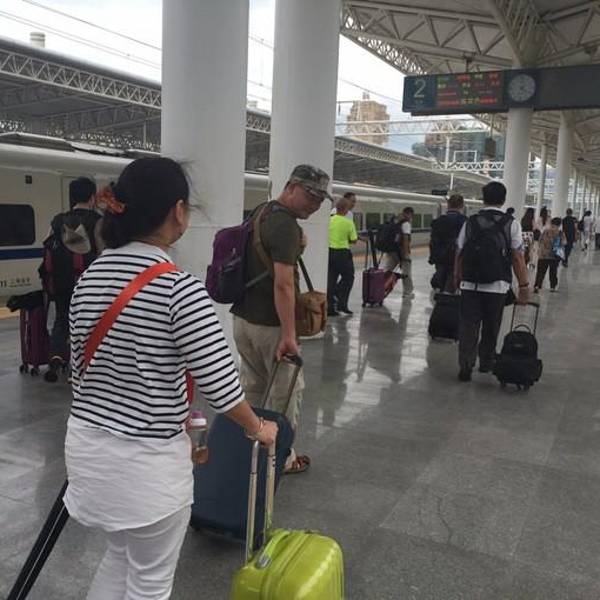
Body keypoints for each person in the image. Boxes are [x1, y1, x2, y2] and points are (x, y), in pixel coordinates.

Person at [65, 157, 277, 600]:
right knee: (150, 580)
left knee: (119, 556)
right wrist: (259, 427)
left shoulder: (89, 278)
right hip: (145, 466)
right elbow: (221, 388)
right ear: (177, 211)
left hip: (87, 450)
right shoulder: (179, 288)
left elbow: (81, 371)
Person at [231, 164, 332, 475]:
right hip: (271, 326)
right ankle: (282, 458)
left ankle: (248, 448)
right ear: (290, 187)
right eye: (310, 195)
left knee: (253, 386)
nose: (315, 204)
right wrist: (289, 335)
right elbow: (284, 285)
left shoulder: (261, 212)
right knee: (286, 391)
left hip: (243, 320)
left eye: (320, 199)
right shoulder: (286, 224)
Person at [454, 181, 530, 382]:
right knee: (491, 326)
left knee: (468, 326)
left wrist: (457, 276)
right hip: (497, 286)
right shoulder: (512, 224)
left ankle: (465, 365)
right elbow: (517, 257)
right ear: (503, 199)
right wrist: (523, 286)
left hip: (470, 284)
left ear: (483, 198)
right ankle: (486, 362)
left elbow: (459, 252)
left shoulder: (470, 222)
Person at [42, 177, 103, 382]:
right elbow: (104, 253)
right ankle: (76, 370)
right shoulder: (98, 221)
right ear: (92, 197)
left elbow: (47, 245)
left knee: (62, 319)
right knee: (89, 325)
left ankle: (56, 357)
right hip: (90, 284)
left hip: (61, 282)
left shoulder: (58, 221)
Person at [429, 193, 466, 293]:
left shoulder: (437, 221)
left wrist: (433, 257)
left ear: (448, 205)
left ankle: (441, 293)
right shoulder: (465, 222)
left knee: (441, 281)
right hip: (457, 260)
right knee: (451, 286)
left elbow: (433, 242)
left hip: (440, 259)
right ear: (462, 206)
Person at [328, 195, 358, 316]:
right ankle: (340, 300)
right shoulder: (348, 222)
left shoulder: (329, 220)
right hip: (343, 253)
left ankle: (330, 308)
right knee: (349, 277)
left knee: (331, 279)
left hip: (330, 252)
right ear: (345, 209)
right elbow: (354, 240)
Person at [380, 206, 415, 298]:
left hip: (391, 250)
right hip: (401, 251)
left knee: (387, 270)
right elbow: (405, 239)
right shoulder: (406, 224)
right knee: (406, 272)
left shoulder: (394, 221)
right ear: (409, 214)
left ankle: (379, 288)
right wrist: (406, 253)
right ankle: (407, 292)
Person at [534, 217, 566, 293]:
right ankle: (552, 287)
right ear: (559, 225)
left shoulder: (545, 231)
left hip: (543, 255)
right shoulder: (560, 233)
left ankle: (537, 286)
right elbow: (564, 243)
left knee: (540, 271)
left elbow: (540, 241)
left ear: (551, 223)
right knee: (553, 272)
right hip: (554, 256)